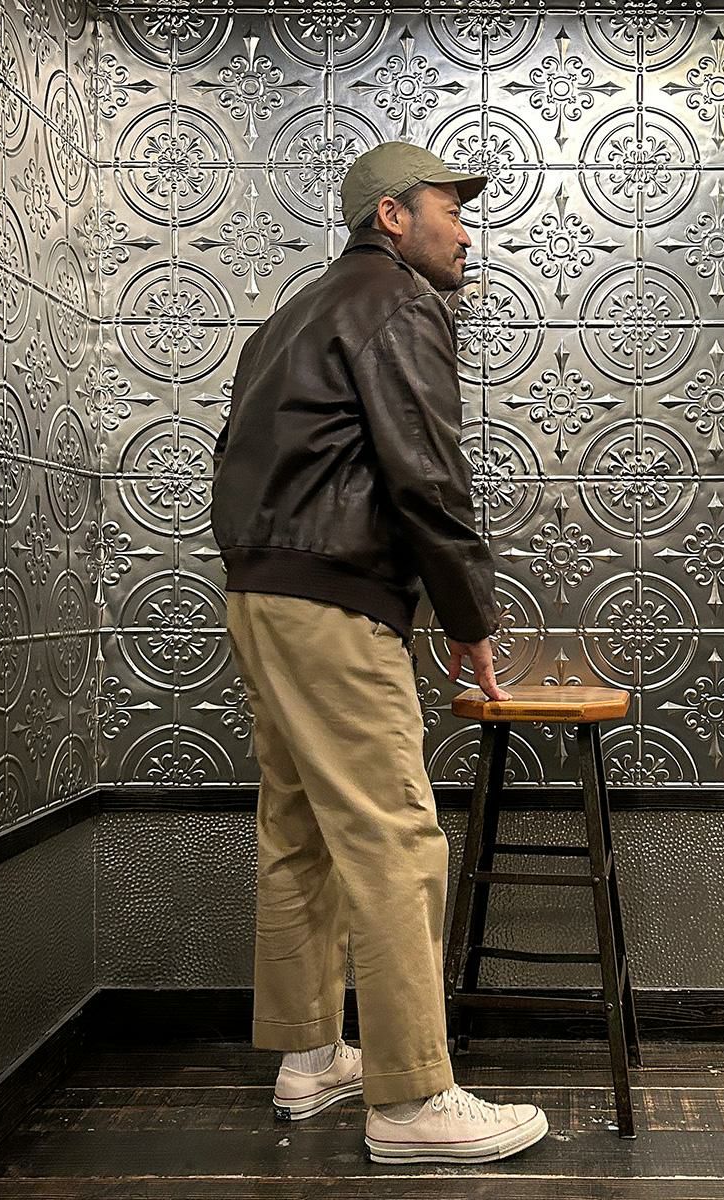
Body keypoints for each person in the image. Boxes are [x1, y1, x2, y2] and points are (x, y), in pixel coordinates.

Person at [210, 141, 549, 1164]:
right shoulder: (399, 301)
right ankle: (412, 1101)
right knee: (397, 837)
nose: (466, 230)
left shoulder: (287, 318)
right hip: (333, 597)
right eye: (451, 207)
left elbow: (237, 461)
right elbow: (427, 475)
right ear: (393, 215)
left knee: (298, 828)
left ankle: (311, 1054)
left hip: (261, 594)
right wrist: (470, 616)